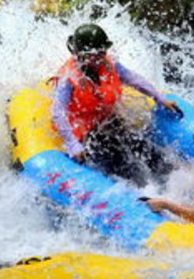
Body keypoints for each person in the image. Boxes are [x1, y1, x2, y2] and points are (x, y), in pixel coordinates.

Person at [52, 23, 182, 185]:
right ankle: (141, 191)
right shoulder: (68, 78)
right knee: (121, 160)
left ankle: (173, 177)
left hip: (108, 122)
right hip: (85, 132)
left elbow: (134, 79)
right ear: (81, 54)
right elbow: (58, 112)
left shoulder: (109, 63)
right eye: (97, 54)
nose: (101, 56)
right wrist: (72, 144)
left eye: (103, 52)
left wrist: (160, 98)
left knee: (139, 145)